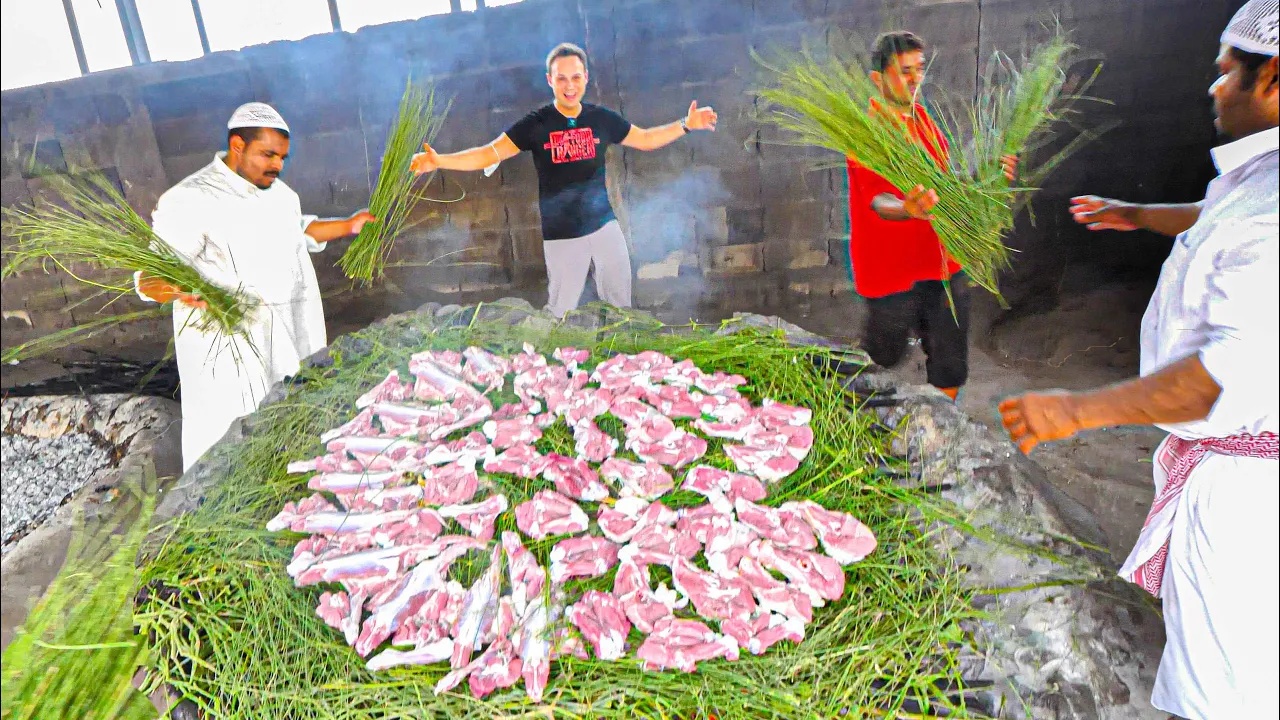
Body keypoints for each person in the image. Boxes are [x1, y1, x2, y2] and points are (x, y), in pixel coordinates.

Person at [998, 2, 1278, 717]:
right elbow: (1222, 215)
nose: (1213, 90)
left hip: (1249, 500)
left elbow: (1213, 384)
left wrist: (1076, 409)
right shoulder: (1262, 181)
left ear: (1271, 78)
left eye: (1225, 75)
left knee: (1230, 685)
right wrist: (1142, 214)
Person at [135, 102, 376, 471]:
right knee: (231, 441)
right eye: (268, 154)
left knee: (294, 415)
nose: (277, 165)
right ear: (237, 146)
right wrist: (177, 291)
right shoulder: (189, 199)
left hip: (290, 331)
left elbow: (299, 230)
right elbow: (150, 277)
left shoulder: (282, 194)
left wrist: (348, 224)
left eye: (282, 157)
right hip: (230, 347)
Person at [409, 42, 717, 318]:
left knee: (622, 310)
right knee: (560, 314)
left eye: (576, 77)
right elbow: (489, 154)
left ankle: (619, 366)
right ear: (550, 80)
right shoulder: (536, 124)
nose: (569, 85)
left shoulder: (601, 119)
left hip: (604, 227)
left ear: (585, 78)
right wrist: (440, 161)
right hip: (562, 235)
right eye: (561, 78)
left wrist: (685, 125)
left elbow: (646, 138)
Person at [846, 31, 1016, 402]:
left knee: (950, 357)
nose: (915, 78)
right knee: (883, 356)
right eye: (904, 71)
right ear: (878, 79)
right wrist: (906, 209)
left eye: (919, 69)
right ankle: (863, 422)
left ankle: (946, 424)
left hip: (941, 261)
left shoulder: (922, 119)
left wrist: (989, 176)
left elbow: (946, 184)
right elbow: (879, 201)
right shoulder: (866, 133)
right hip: (892, 270)